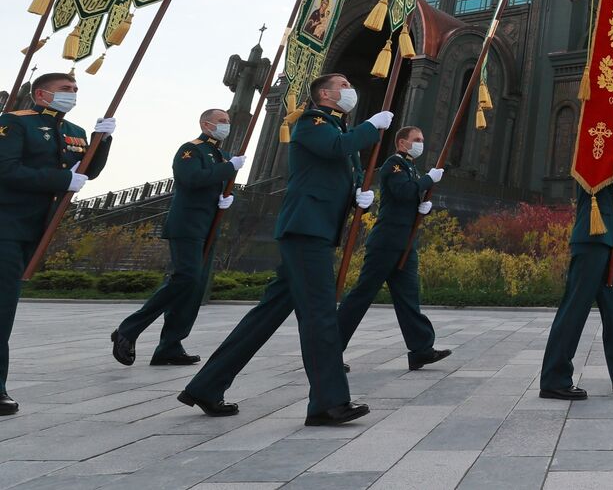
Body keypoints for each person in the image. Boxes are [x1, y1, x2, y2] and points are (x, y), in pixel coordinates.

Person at [179, 73, 392, 425]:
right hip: (305, 230)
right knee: (321, 315)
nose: (350, 90)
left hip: (317, 229)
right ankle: (328, 402)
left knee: (265, 316)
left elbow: (338, 170)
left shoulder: (337, 129)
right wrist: (371, 126)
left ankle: (206, 386)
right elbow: (335, 149)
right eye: (344, 85)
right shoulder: (312, 123)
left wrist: (359, 196)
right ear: (325, 94)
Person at [0, 73, 114, 416]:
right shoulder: (13, 123)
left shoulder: (75, 132)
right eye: (65, 89)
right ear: (41, 94)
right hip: (6, 223)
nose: (73, 94)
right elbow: (5, 170)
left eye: (76, 90)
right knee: (2, 308)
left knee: (7, 306)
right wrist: (63, 178)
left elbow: (87, 171)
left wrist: (102, 140)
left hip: (37, 227)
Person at [112, 108, 244, 367]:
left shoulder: (224, 155)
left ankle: (170, 346)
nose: (225, 125)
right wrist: (228, 168)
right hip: (188, 224)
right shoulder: (191, 150)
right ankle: (128, 329)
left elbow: (216, 186)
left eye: (228, 122)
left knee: (194, 287)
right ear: (205, 124)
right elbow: (191, 179)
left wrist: (227, 199)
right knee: (186, 277)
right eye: (221, 121)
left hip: (209, 225)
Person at [337, 125, 451, 370]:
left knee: (409, 297)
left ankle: (421, 349)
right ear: (402, 143)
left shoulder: (410, 166)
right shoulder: (394, 164)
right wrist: (428, 180)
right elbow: (403, 191)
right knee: (361, 296)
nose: (421, 142)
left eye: (422, 138)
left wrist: (422, 207)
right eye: (416, 139)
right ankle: (329, 349)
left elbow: (410, 196)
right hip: (386, 243)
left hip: (406, 244)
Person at [539, 157, 613, 401]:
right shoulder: (594, 156)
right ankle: (554, 379)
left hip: (606, 242)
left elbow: (611, 187)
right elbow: (603, 177)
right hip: (591, 241)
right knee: (574, 310)